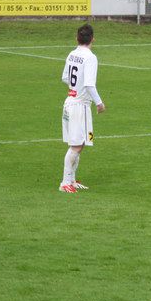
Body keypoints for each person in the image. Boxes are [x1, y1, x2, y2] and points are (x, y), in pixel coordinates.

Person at [60, 24, 106, 193]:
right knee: (77, 145)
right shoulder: (90, 57)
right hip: (80, 107)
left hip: (70, 103)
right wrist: (99, 103)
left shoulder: (72, 54)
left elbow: (65, 77)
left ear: (77, 38)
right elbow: (89, 84)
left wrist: (74, 88)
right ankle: (65, 182)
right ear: (93, 39)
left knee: (82, 142)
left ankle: (72, 180)